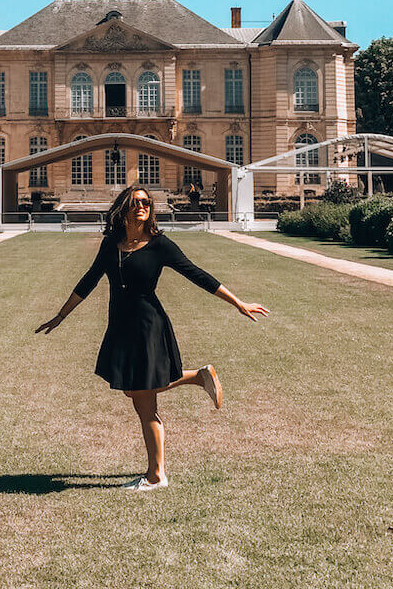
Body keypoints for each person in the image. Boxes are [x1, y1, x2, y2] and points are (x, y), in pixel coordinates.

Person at [35, 183, 269, 492]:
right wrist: (61, 315)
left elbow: (197, 274)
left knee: (144, 402)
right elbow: (89, 280)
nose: (142, 206)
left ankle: (156, 475)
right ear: (124, 208)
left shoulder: (160, 245)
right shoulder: (112, 243)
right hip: (120, 325)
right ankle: (197, 377)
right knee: (135, 392)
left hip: (148, 325)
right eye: (135, 202)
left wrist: (238, 303)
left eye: (146, 202)